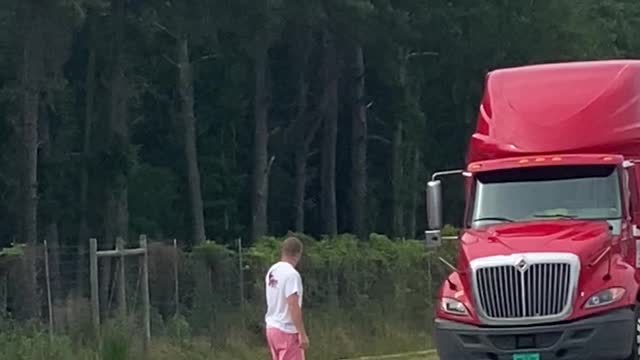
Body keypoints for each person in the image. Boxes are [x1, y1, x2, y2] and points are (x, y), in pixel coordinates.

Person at [264, 236, 309, 360]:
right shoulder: (292, 275)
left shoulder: (272, 271)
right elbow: (293, 305)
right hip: (287, 330)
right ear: (298, 254)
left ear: (283, 251)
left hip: (272, 328)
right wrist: (302, 333)